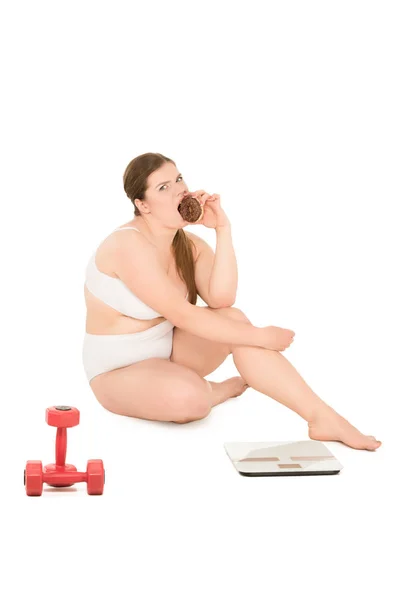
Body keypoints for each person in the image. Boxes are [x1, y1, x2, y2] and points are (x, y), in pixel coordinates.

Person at [82, 152, 381, 451]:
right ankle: (214, 391)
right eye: (163, 188)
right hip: (115, 373)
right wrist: (261, 336)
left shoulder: (188, 245)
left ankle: (323, 417)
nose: (179, 190)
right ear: (142, 204)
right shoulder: (127, 244)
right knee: (194, 401)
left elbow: (221, 298)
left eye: (178, 179)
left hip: (167, 353)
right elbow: (184, 316)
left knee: (234, 320)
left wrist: (222, 230)